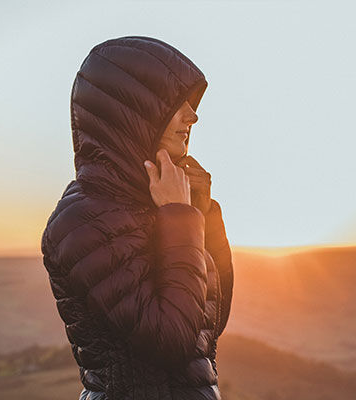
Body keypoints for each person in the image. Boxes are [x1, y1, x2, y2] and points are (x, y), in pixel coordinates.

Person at [40, 35, 234, 400]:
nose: (193, 115)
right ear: (135, 115)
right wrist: (180, 219)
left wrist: (201, 216)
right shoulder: (83, 221)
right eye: (177, 103)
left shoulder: (155, 205)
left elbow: (208, 327)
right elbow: (170, 341)